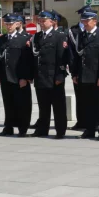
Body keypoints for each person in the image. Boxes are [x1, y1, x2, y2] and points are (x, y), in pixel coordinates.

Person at [33, 10, 70, 138]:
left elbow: (62, 58)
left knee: (58, 107)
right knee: (43, 107)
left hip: (54, 77)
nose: (42, 23)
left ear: (52, 22)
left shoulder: (59, 36)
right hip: (40, 77)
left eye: (44, 21)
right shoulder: (37, 37)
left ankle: (60, 131)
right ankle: (42, 130)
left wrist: (60, 75)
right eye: (40, 21)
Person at [0, 14, 33, 136]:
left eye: (10, 24)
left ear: (17, 24)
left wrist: (26, 77)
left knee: (22, 104)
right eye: (6, 24)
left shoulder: (25, 38)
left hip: (19, 77)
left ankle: (23, 128)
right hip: (6, 76)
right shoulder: (2, 39)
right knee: (8, 103)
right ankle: (8, 127)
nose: (8, 26)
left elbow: (28, 61)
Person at [78, 9, 99, 140]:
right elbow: (78, 56)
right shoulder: (82, 35)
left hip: (97, 76)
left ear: (95, 21)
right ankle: (90, 129)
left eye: (87, 21)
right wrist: (76, 74)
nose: (84, 23)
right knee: (88, 105)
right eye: (83, 21)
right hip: (85, 76)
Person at [67, 5, 90, 131]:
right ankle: (81, 122)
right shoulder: (73, 31)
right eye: (84, 17)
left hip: (91, 71)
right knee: (80, 97)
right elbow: (71, 54)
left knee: (91, 98)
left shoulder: (96, 31)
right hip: (79, 70)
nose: (85, 19)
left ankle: (93, 122)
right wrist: (73, 72)